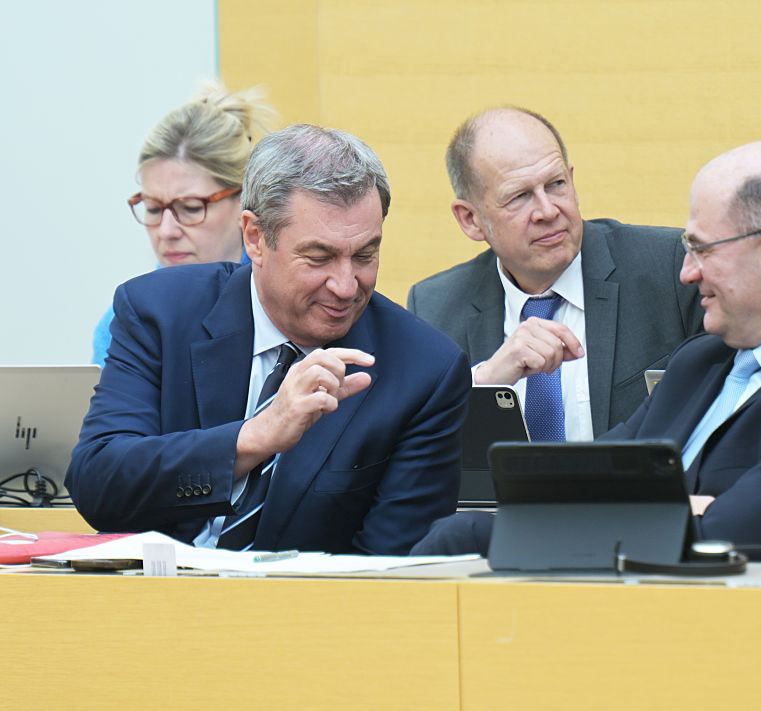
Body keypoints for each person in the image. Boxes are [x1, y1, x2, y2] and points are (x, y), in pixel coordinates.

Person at [415, 140, 761, 563]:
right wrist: (686, 506)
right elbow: (568, 480)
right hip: (636, 610)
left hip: (748, 654)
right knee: (452, 537)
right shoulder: (700, 362)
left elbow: (726, 542)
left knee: (464, 542)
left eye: (701, 249)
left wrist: (684, 511)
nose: (686, 273)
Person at [68, 124, 471, 555]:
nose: (346, 285)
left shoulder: (425, 371)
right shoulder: (161, 314)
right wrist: (256, 437)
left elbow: (391, 570)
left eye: (365, 255)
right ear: (256, 238)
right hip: (154, 605)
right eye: (319, 258)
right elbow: (98, 485)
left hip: (308, 614)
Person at [407, 107, 703, 439]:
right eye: (519, 197)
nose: (548, 211)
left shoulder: (669, 268)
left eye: (556, 184)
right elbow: (416, 444)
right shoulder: (435, 308)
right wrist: (484, 383)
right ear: (471, 220)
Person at [92, 81, 275, 365]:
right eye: (153, 208)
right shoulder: (123, 322)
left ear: (245, 202)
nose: (166, 232)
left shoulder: (285, 307)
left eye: (190, 208)